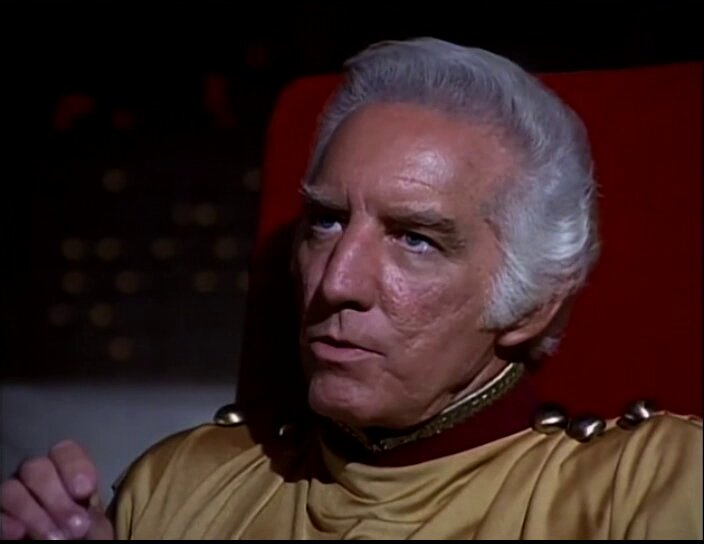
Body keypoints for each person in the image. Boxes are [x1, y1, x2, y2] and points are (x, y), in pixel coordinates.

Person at [1, 37, 701, 540]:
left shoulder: (651, 490)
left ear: (534, 302)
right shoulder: (179, 488)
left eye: (415, 239)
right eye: (327, 221)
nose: (336, 282)